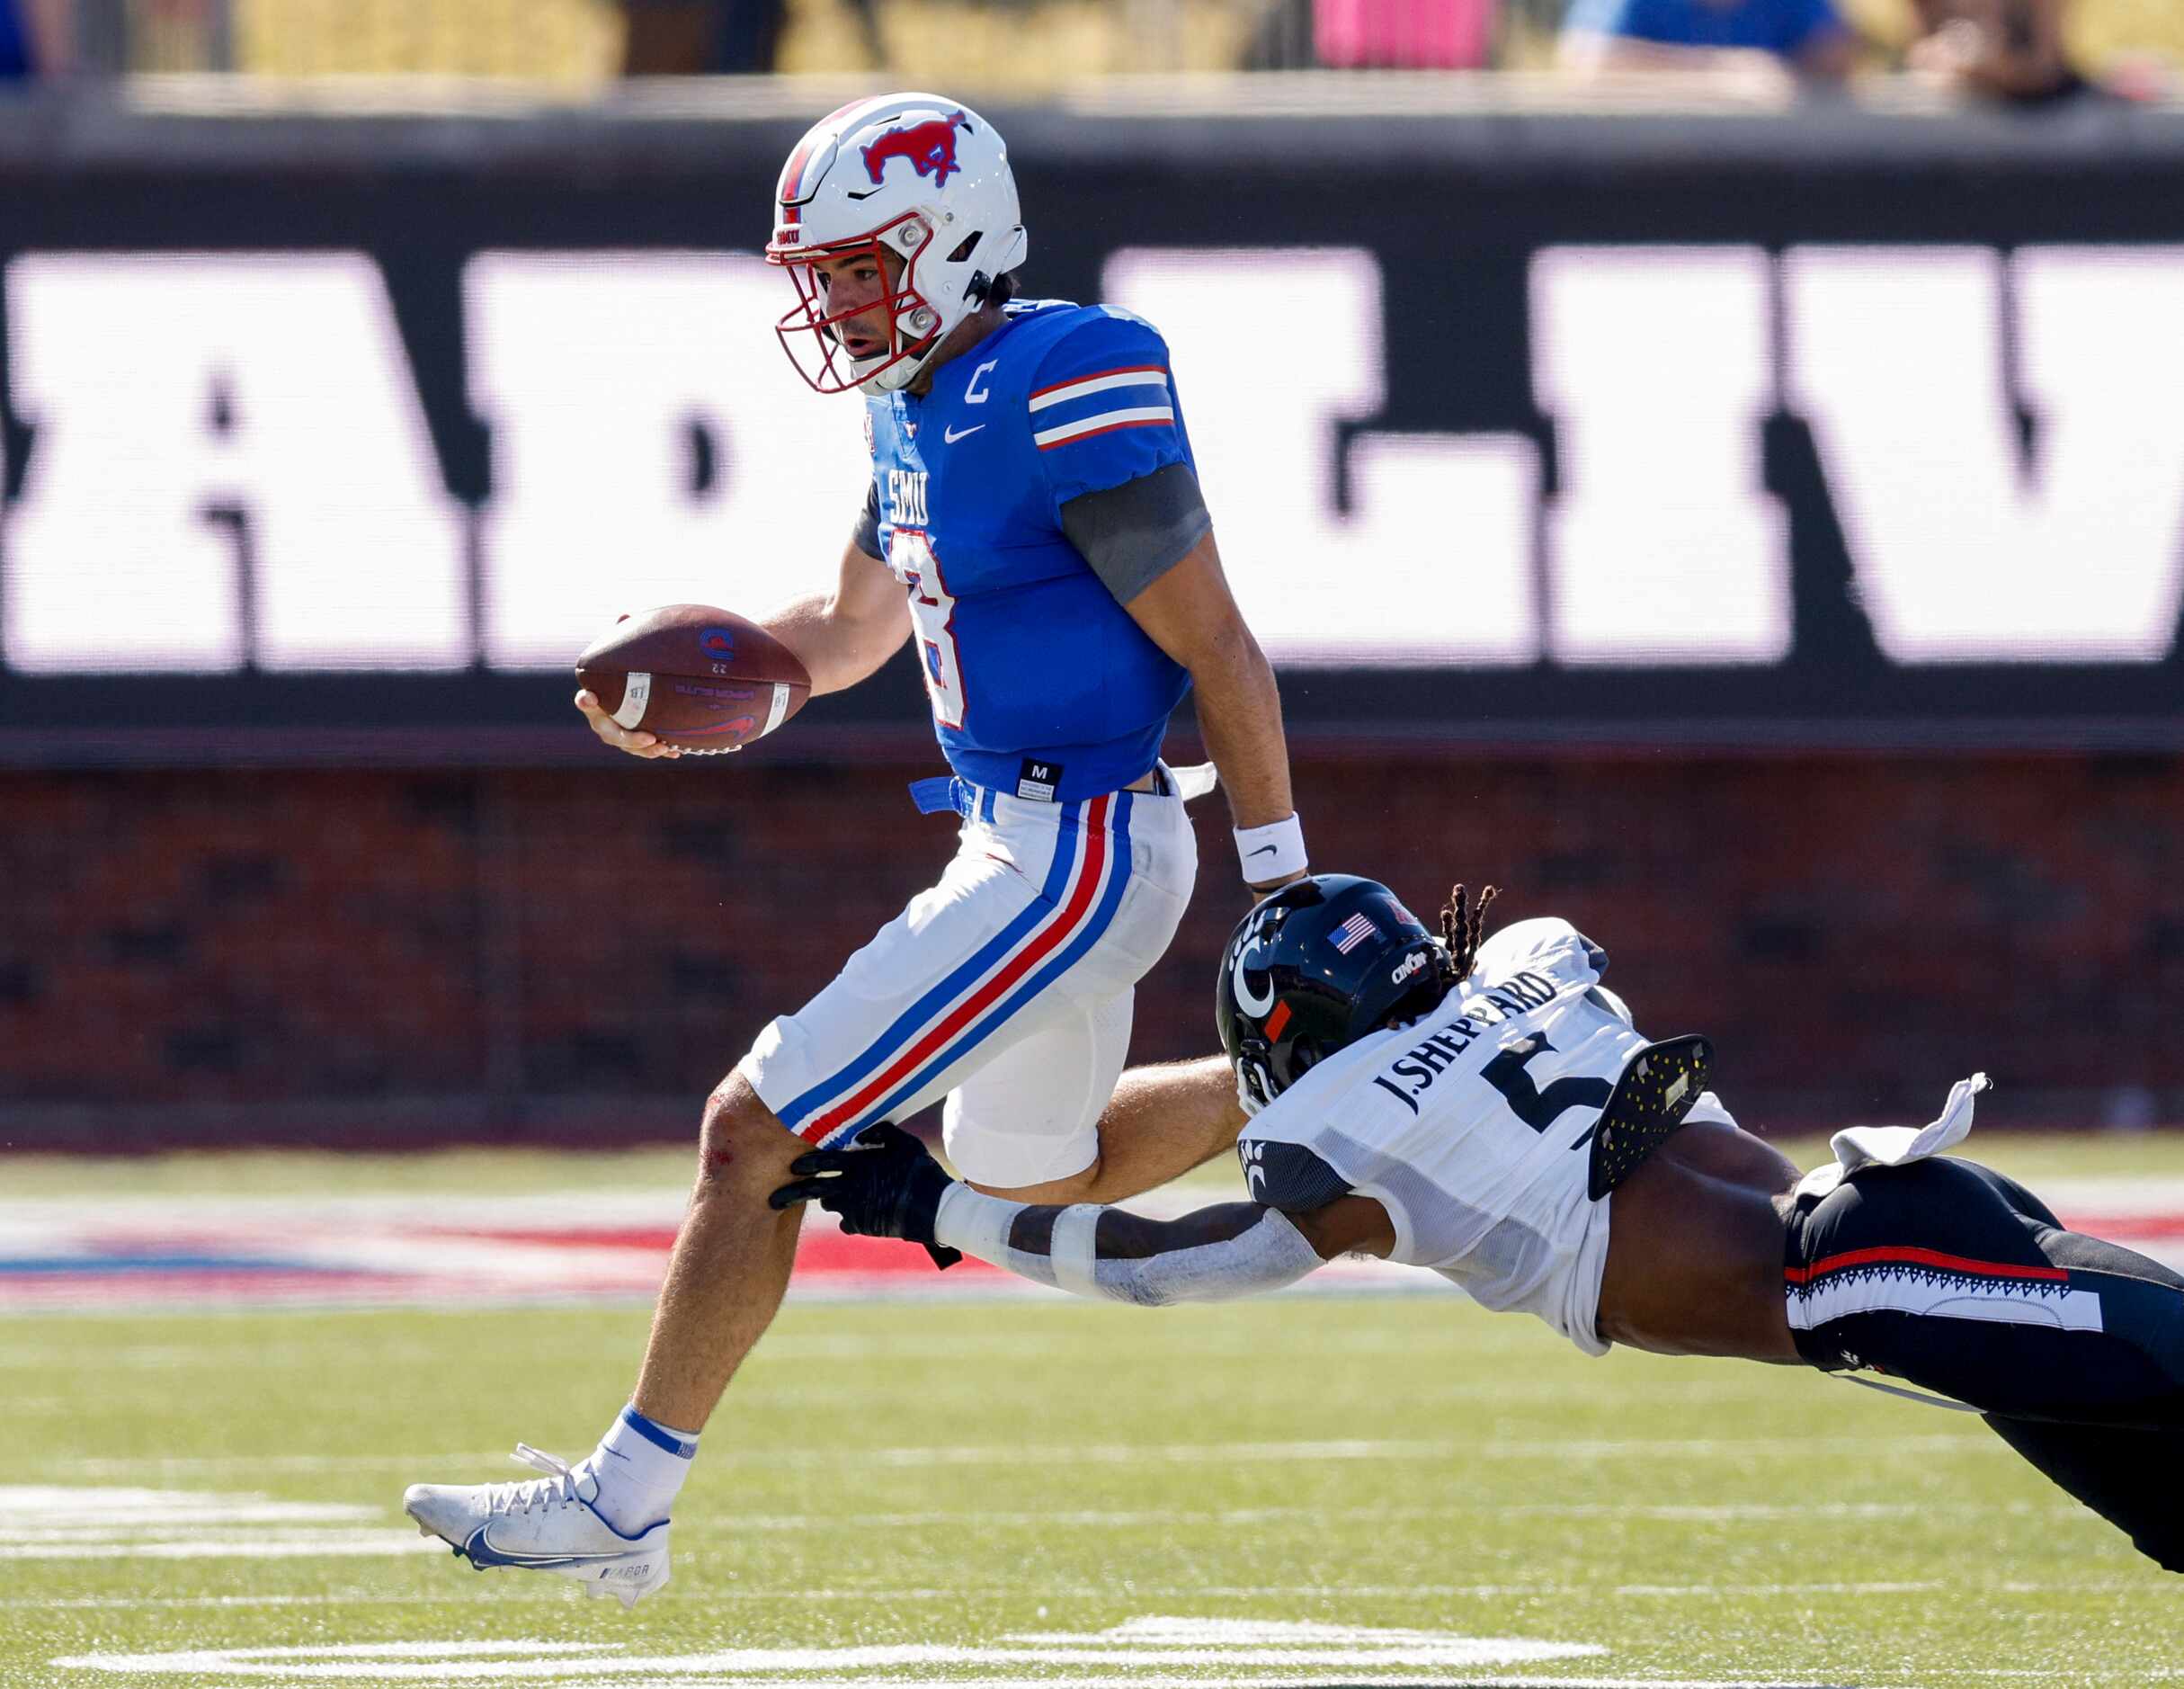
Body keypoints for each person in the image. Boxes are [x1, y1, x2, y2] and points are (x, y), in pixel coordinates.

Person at [404, 92, 1309, 1604]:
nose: (832, 303)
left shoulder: (1066, 373)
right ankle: (1360, 1054)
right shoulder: (910, 403)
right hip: (1021, 837)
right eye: (818, 274)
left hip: (1071, 844)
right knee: (1035, 1163)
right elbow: (847, 627)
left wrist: (1283, 888)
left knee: (751, 1130)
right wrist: (726, 681)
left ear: (955, 244)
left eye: (859, 268)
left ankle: (622, 1499)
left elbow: (1220, 647)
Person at [777, 875, 2184, 1575]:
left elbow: (1171, 1265)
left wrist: (944, 1206)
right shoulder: (1531, 957)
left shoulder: (1338, 1136)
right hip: (1902, 1213)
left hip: (1859, 1276)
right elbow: (1457, 1033)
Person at [1557, 0, 1860, 85]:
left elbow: (1839, 53)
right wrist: (1718, 71)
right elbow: (1583, 59)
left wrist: (1784, 73)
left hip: (1760, 176)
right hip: (1647, 174)